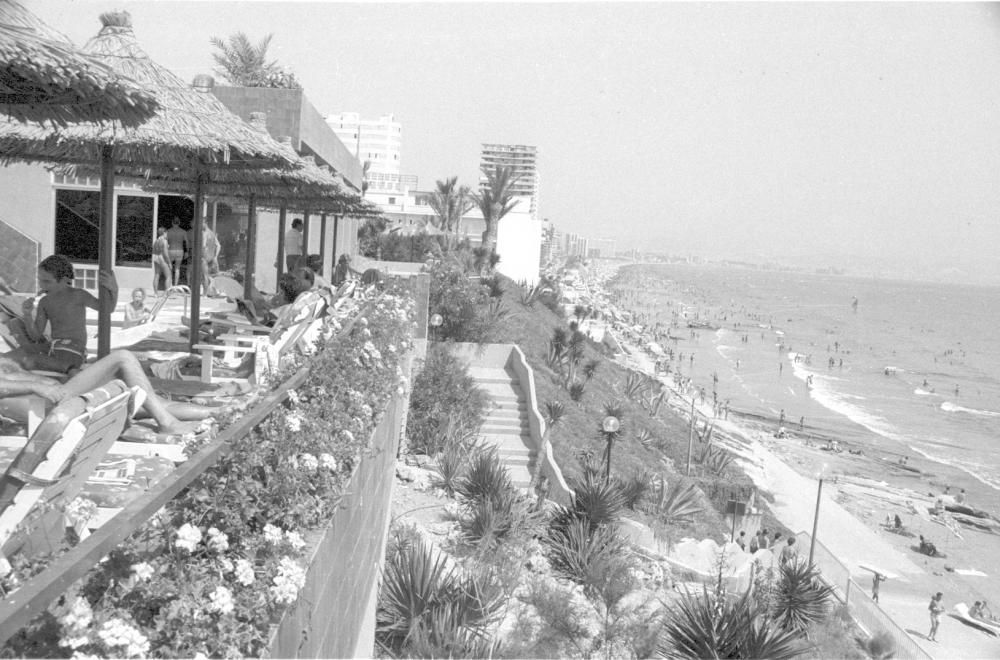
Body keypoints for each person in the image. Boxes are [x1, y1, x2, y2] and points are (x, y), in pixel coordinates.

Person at [0, 349, 219, 434]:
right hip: (42, 409)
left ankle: (221, 413)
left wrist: (68, 368)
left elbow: (28, 357)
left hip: (57, 395)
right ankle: (168, 423)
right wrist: (33, 384)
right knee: (122, 359)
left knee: (147, 401)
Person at [6, 255, 118, 373]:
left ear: (65, 280)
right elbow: (36, 336)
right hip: (52, 347)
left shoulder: (78, 295)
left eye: (47, 281)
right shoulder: (45, 302)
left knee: (29, 361)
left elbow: (107, 309)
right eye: (39, 280)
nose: (41, 285)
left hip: (73, 349)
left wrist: (114, 290)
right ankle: (64, 368)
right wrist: (27, 314)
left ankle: (70, 370)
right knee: (12, 356)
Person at [196, 219, 221, 296]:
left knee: (204, 276)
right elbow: (219, 245)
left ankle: (205, 294)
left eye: (201, 224)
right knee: (210, 276)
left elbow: (203, 246)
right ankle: (213, 292)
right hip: (212, 257)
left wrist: (200, 255)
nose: (200, 226)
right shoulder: (212, 233)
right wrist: (216, 256)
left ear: (205, 223)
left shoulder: (205, 233)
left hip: (205, 257)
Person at [166, 217, 188, 286]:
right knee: (177, 268)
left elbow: (166, 242)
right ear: (179, 223)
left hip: (171, 250)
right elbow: (186, 242)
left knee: (169, 268)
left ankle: (170, 285)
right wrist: (186, 251)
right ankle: (175, 285)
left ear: (172, 223)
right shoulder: (183, 232)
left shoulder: (168, 231)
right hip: (180, 250)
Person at [152, 226, 172, 292]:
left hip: (156, 258)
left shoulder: (156, 241)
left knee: (157, 275)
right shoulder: (164, 241)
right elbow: (165, 254)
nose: (167, 235)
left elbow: (154, 251)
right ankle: (167, 293)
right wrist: (169, 263)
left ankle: (155, 293)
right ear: (164, 233)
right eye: (166, 233)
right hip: (162, 258)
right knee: (168, 276)